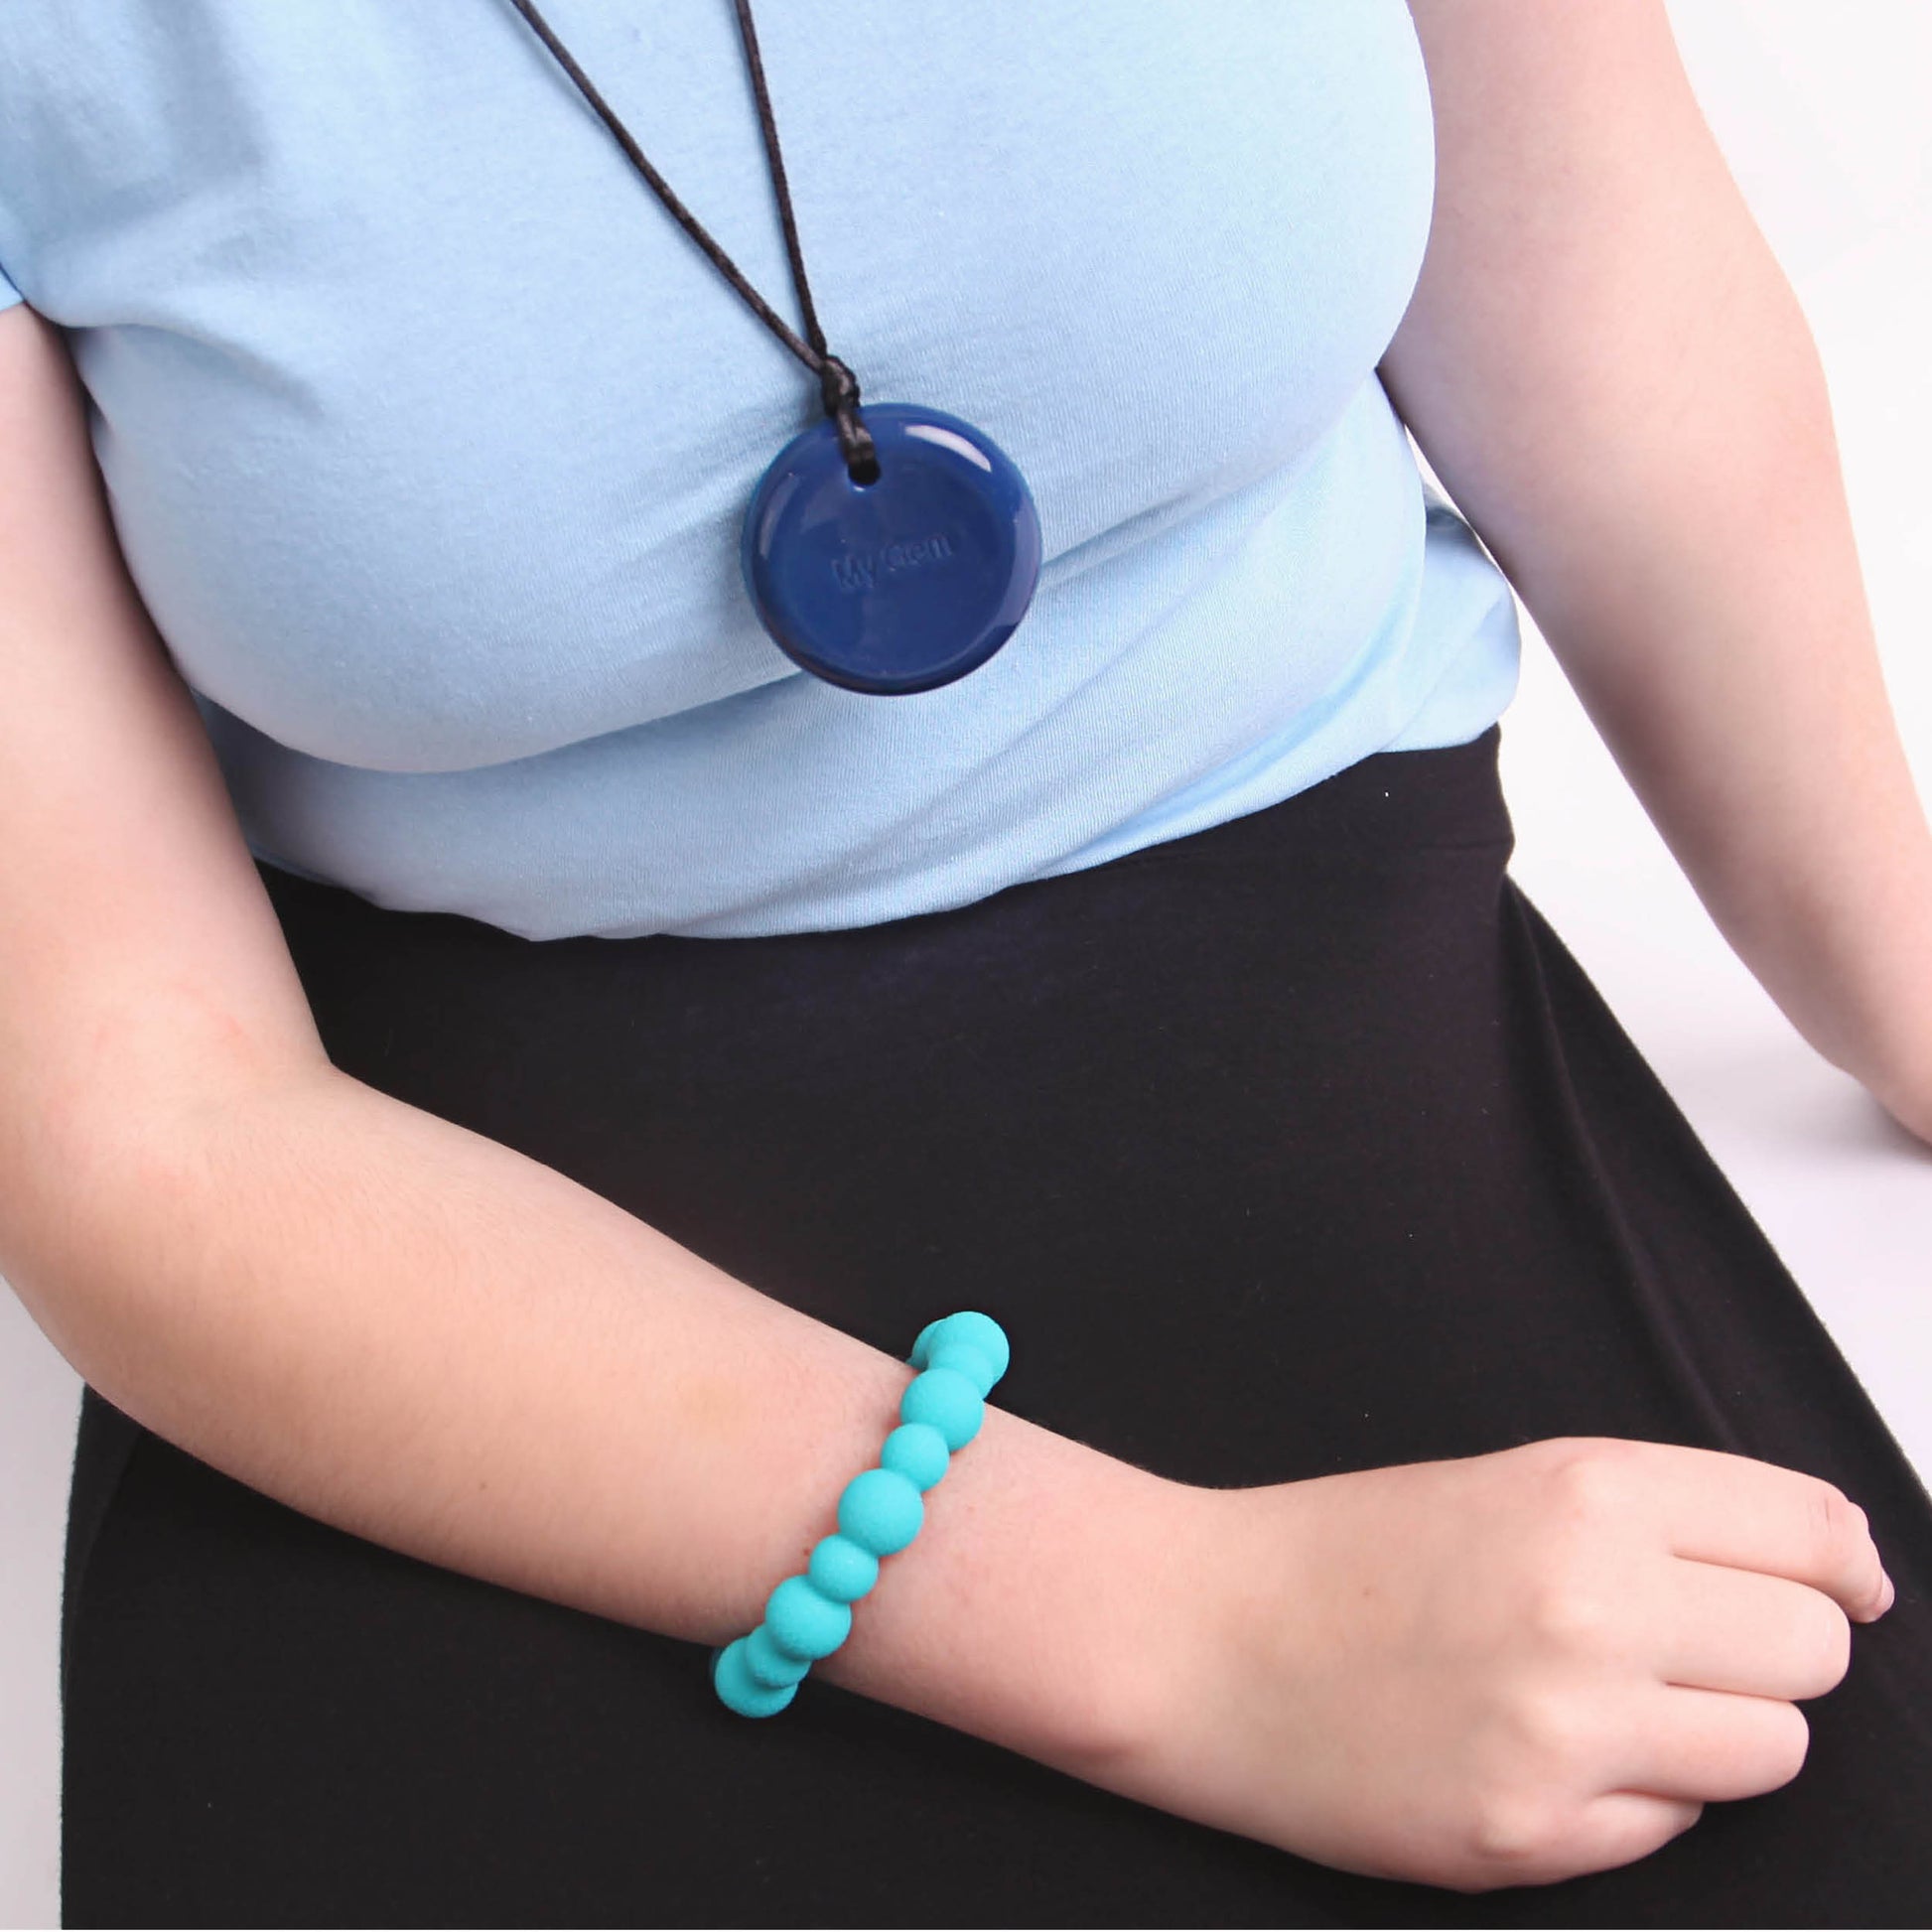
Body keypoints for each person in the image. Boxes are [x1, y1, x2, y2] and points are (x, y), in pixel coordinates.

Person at [2, 0, 1928, 1921]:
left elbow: (1615, 325)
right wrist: (1197, 1633)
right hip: (424, 1262)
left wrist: (1902, 971)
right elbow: (142, 1124)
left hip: (1335, 1008)